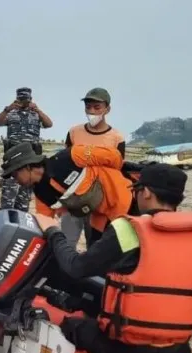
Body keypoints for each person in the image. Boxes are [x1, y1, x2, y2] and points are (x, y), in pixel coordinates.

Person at [33, 163, 192, 353]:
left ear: (145, 193)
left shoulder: (128, 229)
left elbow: (76, 267)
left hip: (129, 350)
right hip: (177, 351)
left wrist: (53, 231)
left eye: (135, 191)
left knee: (71, 324)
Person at [0, 142, 132, 246]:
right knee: (98, 253)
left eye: (15, 174)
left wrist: (116, 178)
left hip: (126, 204)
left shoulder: (71, 156)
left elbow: (113, 156)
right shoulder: (41, 193)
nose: (15, 180)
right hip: (100, 218)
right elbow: (45, 222)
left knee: (128, 252)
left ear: (27, 167)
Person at [61, 88, 126, 247]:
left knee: (95, 245)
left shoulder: (116, 138)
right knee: (65, 243)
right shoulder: (74, 132)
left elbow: (117, 171)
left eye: (97, 108)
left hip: (100, 201)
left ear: (107, 109)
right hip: (73, 197)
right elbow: (65, 161)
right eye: (88, 107)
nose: (92, 111)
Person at [0, 87, 53, 212]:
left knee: (24, 201)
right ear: (16, 99)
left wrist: (38, 110)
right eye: (21, 100)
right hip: (13, 161)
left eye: (26, 100)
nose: (23, 102)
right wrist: (7, 109)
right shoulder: (11, 114)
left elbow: (49, 124)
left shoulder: (36, 114)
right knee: (7, 200)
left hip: (30, 162)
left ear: (31, 99)